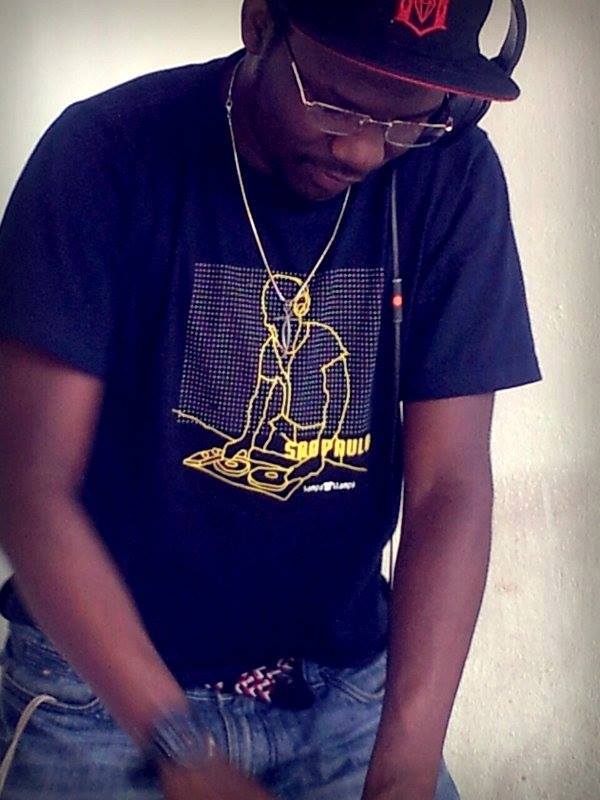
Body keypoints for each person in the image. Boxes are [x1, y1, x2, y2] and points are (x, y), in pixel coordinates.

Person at [0, 0, 541, 798]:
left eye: (407, 120)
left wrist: (405, 767)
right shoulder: (105, 153)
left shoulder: (451, 170)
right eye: (335, 103)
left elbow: (449, 486)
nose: (363, 149)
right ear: (260, 24)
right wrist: (181, 749)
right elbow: (29, 488)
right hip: (101, 690)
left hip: (342, 686)